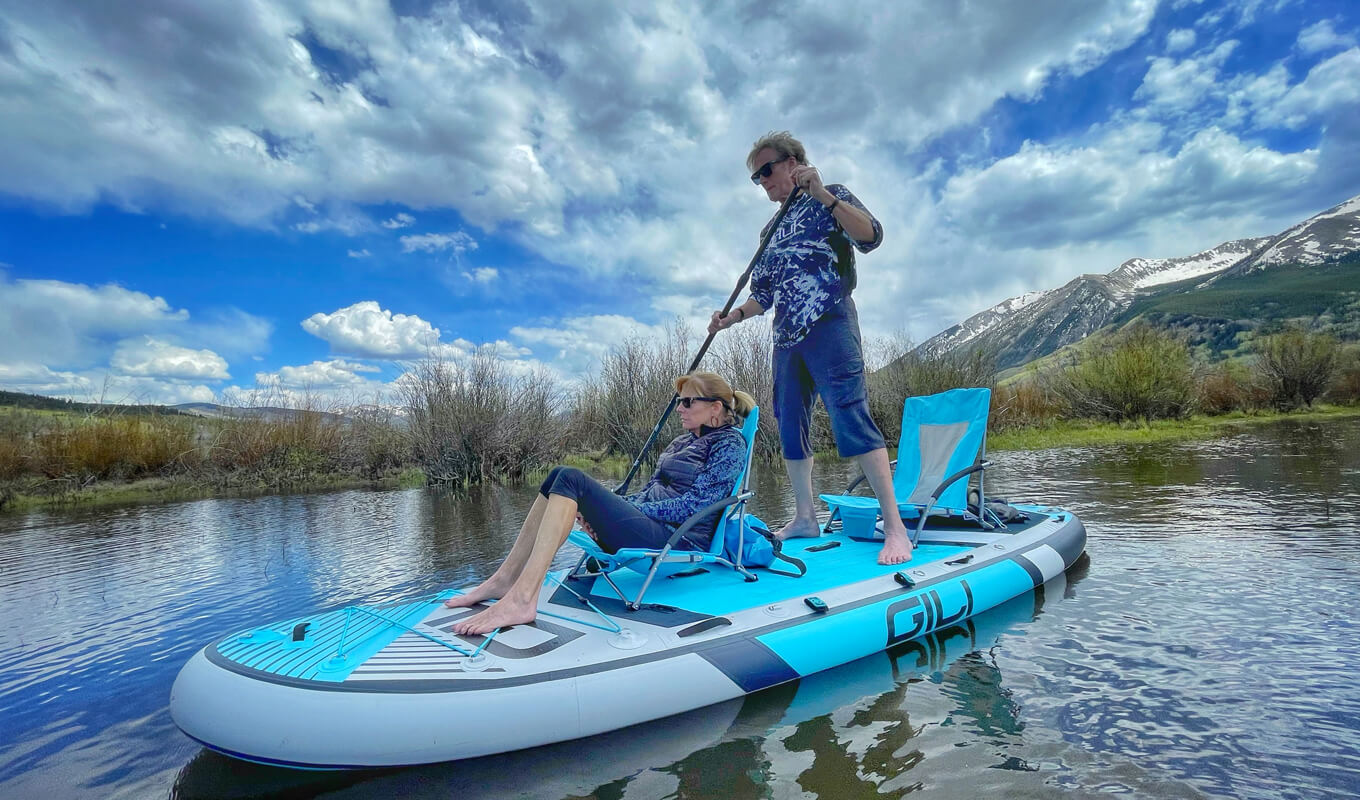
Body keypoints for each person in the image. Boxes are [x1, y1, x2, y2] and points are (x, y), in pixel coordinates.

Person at [708, 131, 912, 566]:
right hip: (786, 338)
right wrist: (731, 319)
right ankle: (805, 517)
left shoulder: (831, 195)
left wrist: (821, 194)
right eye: (755, 177)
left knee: (849, 414)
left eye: (767, 169)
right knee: (788, 425)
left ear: (793, 162)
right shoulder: (769, 230)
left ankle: (895, 527)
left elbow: (872, 237)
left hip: (830, 320)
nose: (762, 180)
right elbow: (762, 294)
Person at [445, 371, 757, 634]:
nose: (680, 408)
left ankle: (523, 600)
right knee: (557, 476)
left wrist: (633, 511)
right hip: (652, 525)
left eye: (688, 402)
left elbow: (698, 504)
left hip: (679, 538)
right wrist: (609, 511)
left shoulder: (729, 444)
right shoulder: (682, 441)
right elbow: (651, 491)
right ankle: (505, 579)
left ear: (715, 408)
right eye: (679, 402)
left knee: (570, 477)